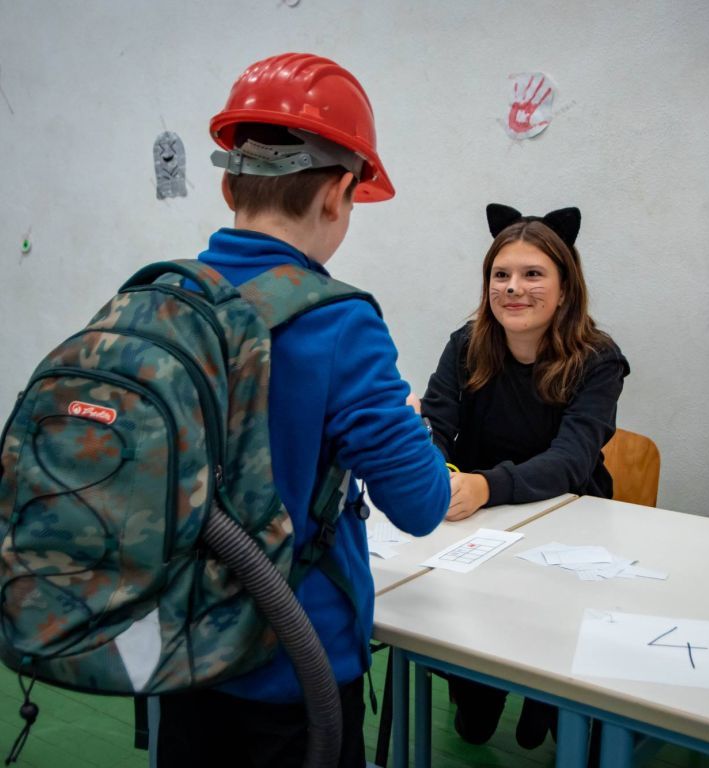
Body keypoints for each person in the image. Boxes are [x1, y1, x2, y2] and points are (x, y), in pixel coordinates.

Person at [156, 53, 451, 768]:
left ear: (227, 184)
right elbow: (421, 504)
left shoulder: (167, 298)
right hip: (293, 671)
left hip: (181, 651)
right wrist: (405, 421)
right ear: (340, 193)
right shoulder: (339, 323)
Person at [419, 203, 630, 749]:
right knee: (472, 718)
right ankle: (481, 692)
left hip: (568, 525)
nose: (513, 288)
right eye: (501, 275)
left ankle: (545, 701)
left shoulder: (598, 360)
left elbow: (571, 459)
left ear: (565, 287)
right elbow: (435, 425)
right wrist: (435, 469)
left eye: (533, 274)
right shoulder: (465, 345)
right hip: (476, 524)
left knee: (554, 667)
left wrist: (487, 486)